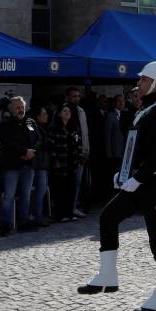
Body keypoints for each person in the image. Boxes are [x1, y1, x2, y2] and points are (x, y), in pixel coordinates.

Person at [78, 61, 156, 311]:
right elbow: (136, 146)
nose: (139, 83)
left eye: (144, 80)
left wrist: (136, 179)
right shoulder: (146, 109)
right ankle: (108, 275)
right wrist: (123, 173)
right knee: (108, 216)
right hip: (141, 182)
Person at [0, 96, 41, 236]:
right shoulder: (5, 124)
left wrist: (32, 151)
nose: (20, 110)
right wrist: (23, 152)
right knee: (9, 196)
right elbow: (7, 143)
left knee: (26, 195)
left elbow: (40, 138)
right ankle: (6, 225)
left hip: (29, 164)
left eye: (22, 107)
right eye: (17, 107)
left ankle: (23, 222)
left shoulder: (30, 122)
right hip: (12, 165)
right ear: (10, 109)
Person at [50, 103, 84, 222]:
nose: (67, 113)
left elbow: (78, 143)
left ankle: (70, 212)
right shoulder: (54, 129)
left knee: (72, 188)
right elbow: (52, 147)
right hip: (61, 163)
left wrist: (80, 157)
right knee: (60, 190)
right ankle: (61, 214)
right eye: (64, 111)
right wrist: (55, 161)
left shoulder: (73, 128)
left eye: (68, 111)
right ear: (59, 113)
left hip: (72, 162)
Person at [65, 87, 91, 218]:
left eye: (78, 96)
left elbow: (84, 131)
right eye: (74, 96)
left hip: (82, 152)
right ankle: (70, 207)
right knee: (71, 182)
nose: (76, 98)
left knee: (79, 181)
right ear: (68, 97)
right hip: (69, 153)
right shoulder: (65, 111)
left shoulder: (81, 111)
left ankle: (75, 205)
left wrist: (86, 149)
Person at [29, 105, 53, 226]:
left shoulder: (42, 127)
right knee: (40, 190)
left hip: (43, 162)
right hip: (38, 162)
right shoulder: (34, 127)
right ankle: (37, 216)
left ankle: (38, 215)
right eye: (44, 114)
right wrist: (44, 144)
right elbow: (36, 143)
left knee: (41, 190)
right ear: (37, 116)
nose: (46, 116)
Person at [103, 95, 125, 183]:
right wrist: (109, 153)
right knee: (115, 174)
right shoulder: (110, 116)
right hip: (115, 152)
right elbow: (107, 136)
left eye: (123, 101)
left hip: (123, 151)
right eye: (119, 101)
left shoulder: (124, 115)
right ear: (114, 103)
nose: (121, 103)